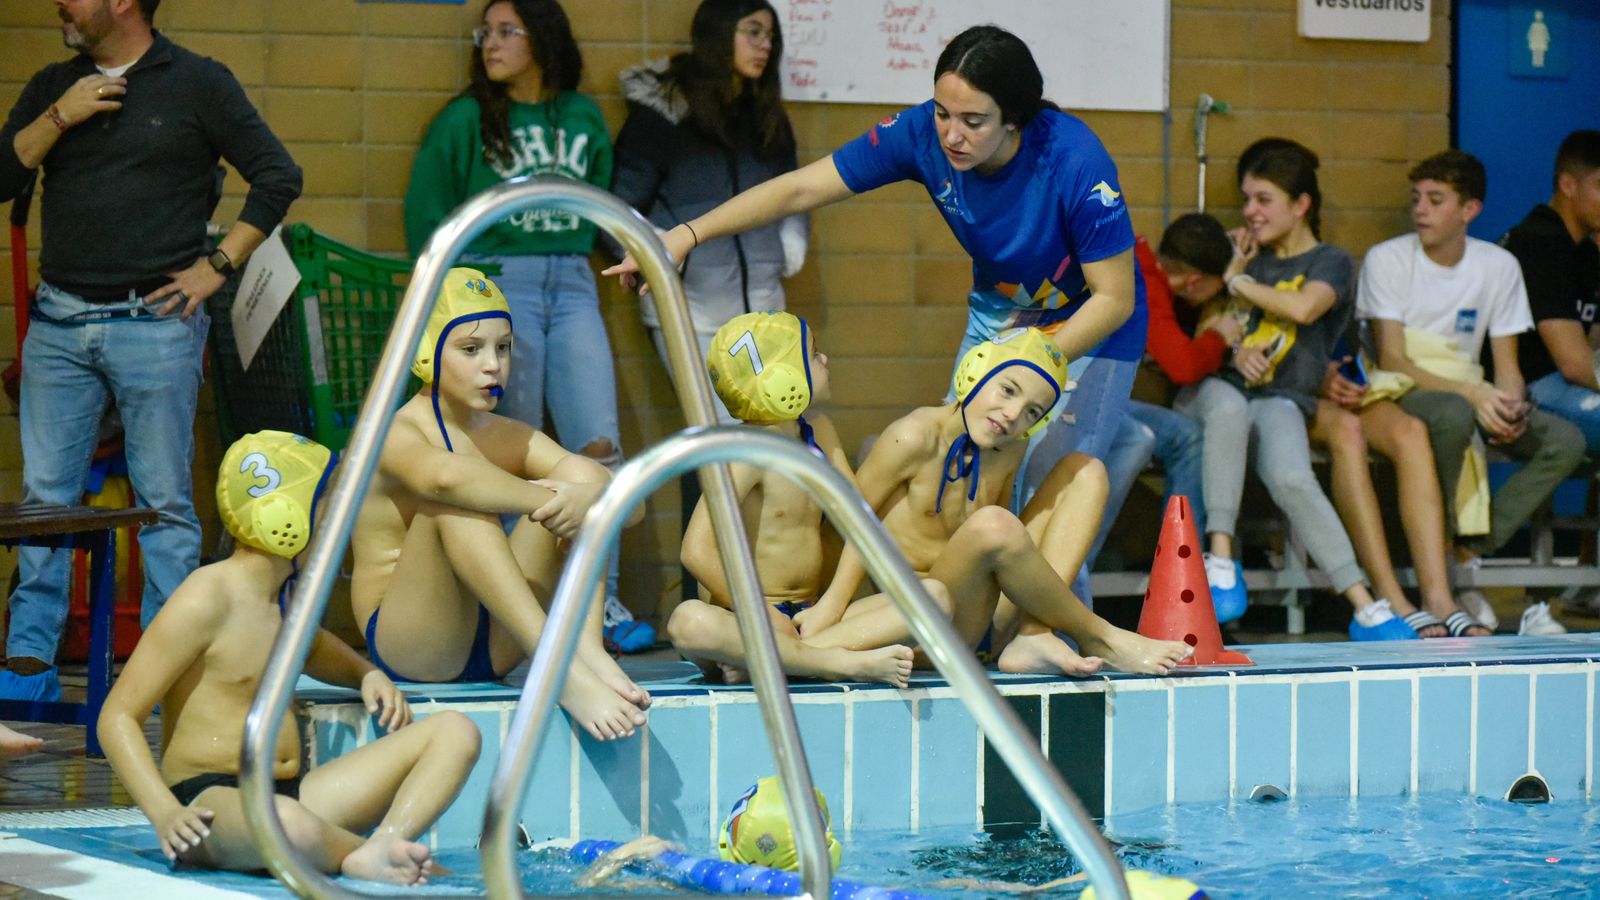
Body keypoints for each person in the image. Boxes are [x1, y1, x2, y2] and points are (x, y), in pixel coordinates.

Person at [603, 27, 1145, 561]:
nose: (951, 135)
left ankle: (1050, 638)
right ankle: (964, 634)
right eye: (942, 113)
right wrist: (687, 235)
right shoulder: (919, 135)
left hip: (1090, 319)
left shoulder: (1075, 160)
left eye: (973, 122)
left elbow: (1113, 298)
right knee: (956, 475)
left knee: (1043, 491)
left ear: (1015, 121)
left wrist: (1025, 365)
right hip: (1001, 312)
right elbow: (801, 188)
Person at [0, 0, 301, 701]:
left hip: (155, 319)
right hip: (60, 322)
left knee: (163, 505)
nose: (60, 4)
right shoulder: (54, 85)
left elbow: (278, 175)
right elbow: (2, 179)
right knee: (45, 503)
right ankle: (26, 673)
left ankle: (168, 675)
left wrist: (216, 269)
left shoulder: (197, 82)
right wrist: (61, 115)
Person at [98, 431, 480, 884]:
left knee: (456, 733)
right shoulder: (207, 596)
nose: (338, 523)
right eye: (326, 509)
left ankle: (384, 847)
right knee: (287, 824)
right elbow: (116, 716)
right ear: (285, 519)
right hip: (209, 803)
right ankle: (365, 854)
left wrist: (365, 674)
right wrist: (163, 812)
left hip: (290, 795)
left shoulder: (285, 601)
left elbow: (315, 648)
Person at [404, 0, 647, 648]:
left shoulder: (581, 116)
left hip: (572, 281)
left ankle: (603, 603)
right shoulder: (465, 119)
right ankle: (509, 606)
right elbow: (427, 217)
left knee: (597, 442)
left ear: (542, 38)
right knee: (506, 442)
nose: (491, 43)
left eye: (508, 31)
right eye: (486, 32)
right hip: (496, 282)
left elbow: (600, 205)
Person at [349, 269, 649, 741]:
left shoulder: (508, 435)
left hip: (498, 640)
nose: (493, 365)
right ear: (426, 352)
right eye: (471, 349)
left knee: (582, 478)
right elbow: (444, 478)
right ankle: (558, 668)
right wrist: (556, 501)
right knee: (453, 503)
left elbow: (632, 507)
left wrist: (586, 496)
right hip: (414, 643)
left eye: (503, 348)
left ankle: (587, 649)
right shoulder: (394, 432)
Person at [826, 328, 1192, 675]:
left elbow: (1000, 550)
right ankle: (1099, 635)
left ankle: (1034, 635)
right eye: (1007, 390)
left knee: (1087, 472)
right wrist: (828, 606)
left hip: (984, 617)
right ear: (974, 372)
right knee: (992, 524)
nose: (1013, 414)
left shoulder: (1008, 448)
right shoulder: (912, 437)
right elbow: (850, 520)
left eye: (1033, 411)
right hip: (929, 622)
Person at [1176, 139, 1412, 640]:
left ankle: (1365, 606)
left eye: (1263, 199)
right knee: (1230, 405)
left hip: (1281, 400)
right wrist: (1231, 347)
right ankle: (1221, 562)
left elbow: (1305, 309)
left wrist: (1236, 280)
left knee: (1293, 477)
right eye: (1246, 200)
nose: (1250, 211)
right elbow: (1202, 335)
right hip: (1219, 393)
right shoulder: (1243, 255)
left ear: (1301, 204)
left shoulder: (1331, 262)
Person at [1360, 149, 1585, 636]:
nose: (1420, 209)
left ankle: (1467, 549)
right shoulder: (1388, 259)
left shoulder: (1498, 265)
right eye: (1416, 198)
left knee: (1564, 440)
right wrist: (1472, 395)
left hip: (1470, 386)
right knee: (1449, 414)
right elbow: (1394, 359)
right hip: (1407, 387)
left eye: (1436, 199)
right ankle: (1436, 556)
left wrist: (1509, 406)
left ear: (1470, 211)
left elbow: (1507, 366)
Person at [667, 312, 924, 688]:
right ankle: (833, 662)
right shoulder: (745, 451)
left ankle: (771, 662)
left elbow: (859, 521)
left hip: (810, 618)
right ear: (781, 379)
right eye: (813, 354)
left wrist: (833, 604)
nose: (825, 361)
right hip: (745, 618)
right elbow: (695, 551)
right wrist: (761, 612)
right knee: (689, 621)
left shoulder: (818, 431)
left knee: (934, 597)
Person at [609, 0, 806, 422]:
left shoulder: (767, 117)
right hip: (691, 311)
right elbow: (616, 210)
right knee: (716, 436)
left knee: (769, 432)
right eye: (752, 32)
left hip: (764, 309)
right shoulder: (663, 116)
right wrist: (660, 262)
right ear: (719, 33)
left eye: (770, 36)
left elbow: (795, 193)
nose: (764, 46)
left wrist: (790, 243)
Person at [1094, 214, 1241, 616]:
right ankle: (1175, 577)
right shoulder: (1147, 282)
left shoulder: (1144, 260)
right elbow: (1183, 366)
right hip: (1081, 397)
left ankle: (1178, 571)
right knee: (1153, 435)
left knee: (1184, 433)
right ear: (1194, 281)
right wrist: (1220, 337)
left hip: (1095, 392)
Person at [1501, 131, 1600, 455]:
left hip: (1566, 381)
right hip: (1526, 390)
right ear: (1568, 186)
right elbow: (1574, 363)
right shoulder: (1539, 242)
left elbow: (1592, 345)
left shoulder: (1583, 250)